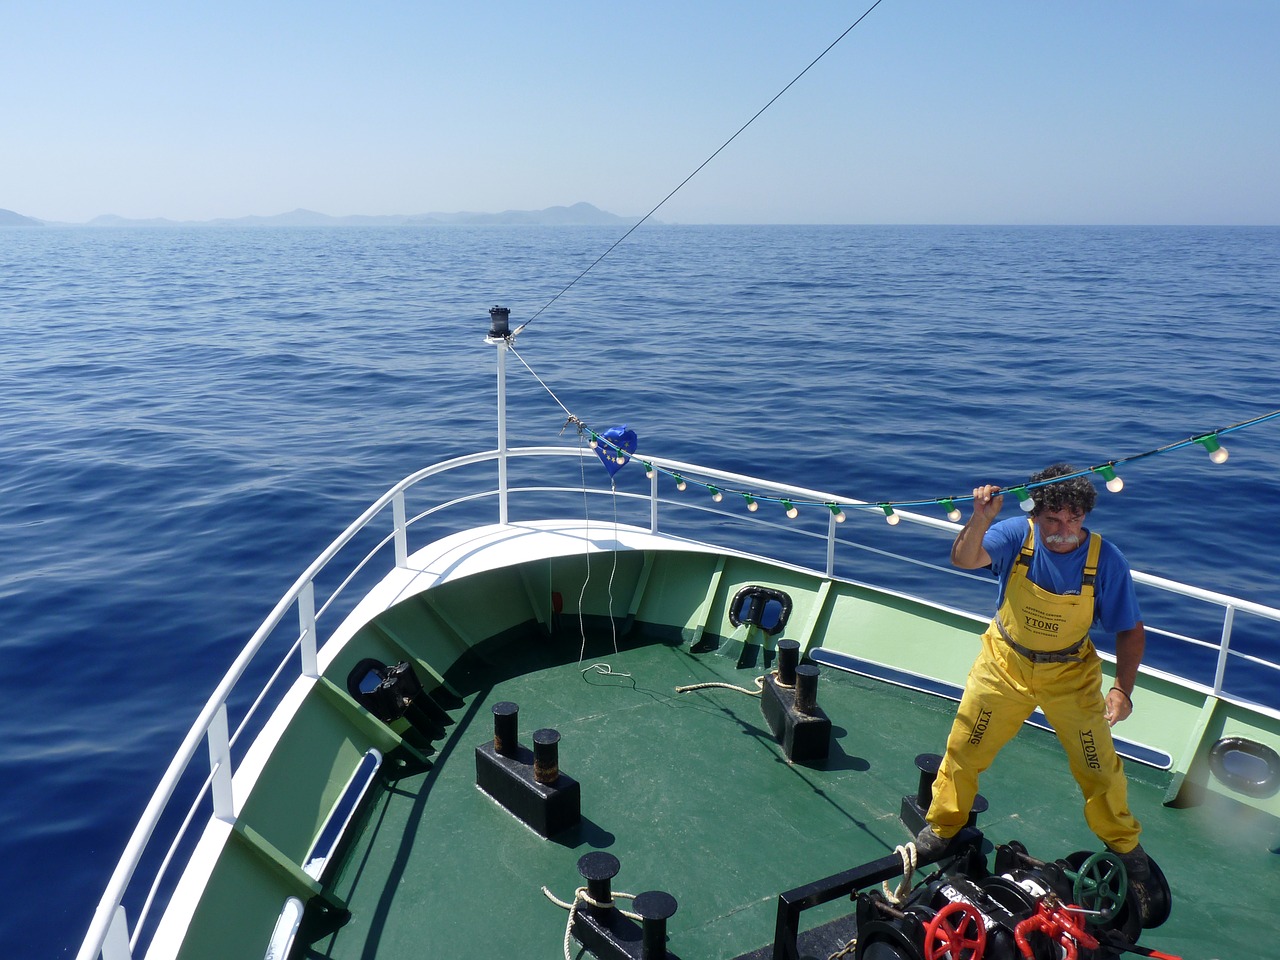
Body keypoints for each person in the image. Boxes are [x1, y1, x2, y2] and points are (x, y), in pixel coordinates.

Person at [915, 463, 1151, 882]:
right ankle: (942, 826)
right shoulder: (1013, 535)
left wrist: (1123, 690)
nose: (1063, 529)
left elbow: (1130, 630)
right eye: (1052, 519)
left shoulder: (1106, 560)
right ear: (1034, 514)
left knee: (1099, 766)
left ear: (1085, 515)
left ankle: (1125, 846)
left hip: (1071, 676)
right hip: (1004, 665)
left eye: (1074, 519)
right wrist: (980, 517)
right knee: (965, 749)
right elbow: (964, 559)